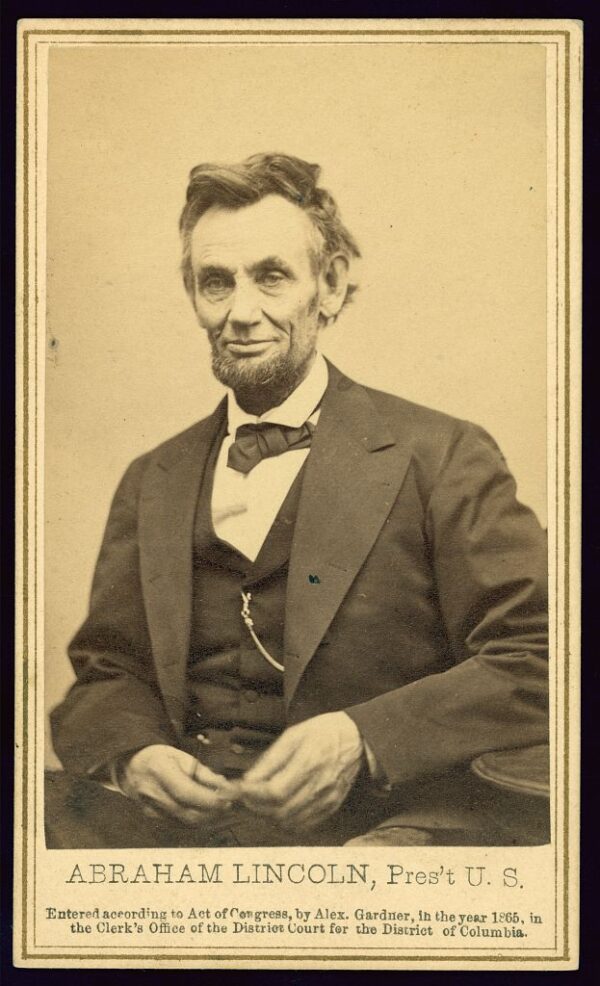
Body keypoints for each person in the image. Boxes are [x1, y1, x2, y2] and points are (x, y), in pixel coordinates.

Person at [46, 153, 549, 849]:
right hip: (174, 836)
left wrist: (363, 737)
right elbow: (108, 670)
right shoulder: (152, 477)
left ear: (332, 285)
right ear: (192, 294)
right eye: (216, 283)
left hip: (375, 828)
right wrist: (134, 756)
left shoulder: (443, 455)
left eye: (272, 277)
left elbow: (545, 653)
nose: (241, 313)